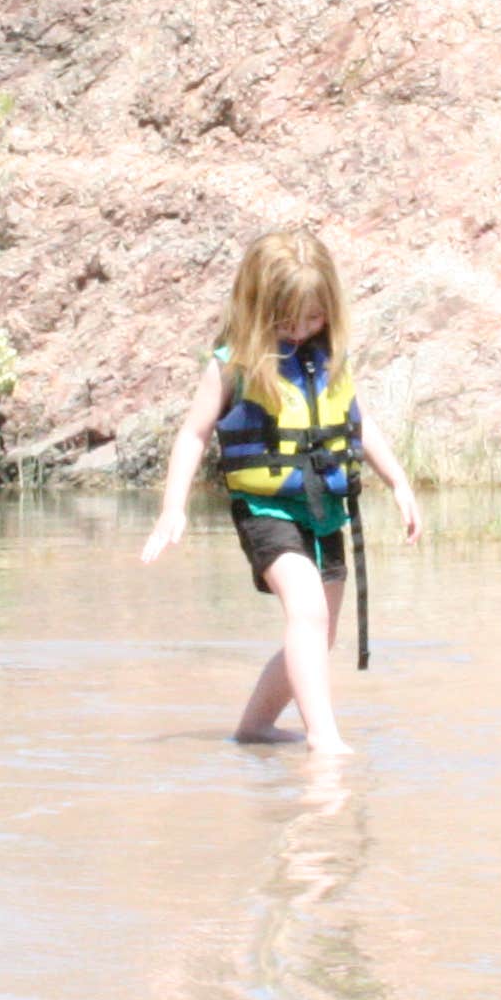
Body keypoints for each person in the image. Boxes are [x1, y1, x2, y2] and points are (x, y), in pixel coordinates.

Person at [140, 228, 422, 753]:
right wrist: (172, 508)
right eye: (286, 320)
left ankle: (254, 728)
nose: (300, 330)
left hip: (325, 507)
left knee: (322, 634)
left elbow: (360, 425)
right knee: (308, 614)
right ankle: (325, 739)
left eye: (313, 318)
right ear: (258, 306)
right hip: (266, 508)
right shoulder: (233, 362)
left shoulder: (328, 358)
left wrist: (399, 481)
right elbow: (193, 432)